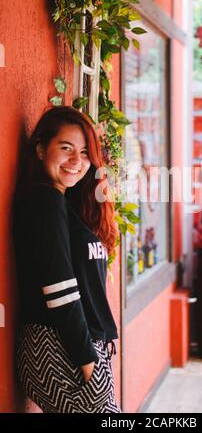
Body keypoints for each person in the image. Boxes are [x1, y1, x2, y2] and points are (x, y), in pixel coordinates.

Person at [13, 106, 121, 413]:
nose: (77, 161)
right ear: (40, 149)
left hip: (74, 343)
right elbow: (60, 289)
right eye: (66, 148)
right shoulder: (45, 201)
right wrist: (87, 360)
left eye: (85, 152)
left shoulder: (64, 205)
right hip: (61, 344)